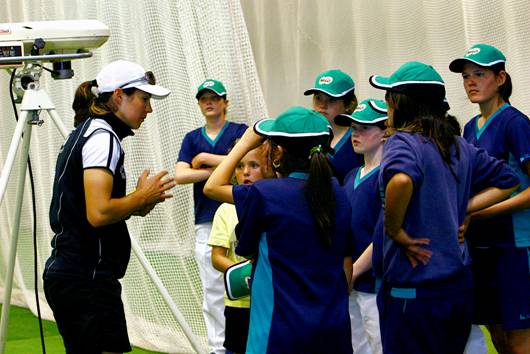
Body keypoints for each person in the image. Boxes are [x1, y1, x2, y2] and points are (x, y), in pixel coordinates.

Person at [368, 61, 520, 354]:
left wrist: (394, 228)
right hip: (457, 291)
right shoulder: (458, 144)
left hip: (411, 296)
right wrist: (463, 209)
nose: (385, 103)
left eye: (389, 95)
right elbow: (508, 180)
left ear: (401, 102)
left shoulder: (403, 141)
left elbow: (400, 180)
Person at [43, 60, 175, 354]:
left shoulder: (94, 132)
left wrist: (138, 204)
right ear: (119, 97)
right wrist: (140, 198)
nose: (149, 109)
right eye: (144, 99)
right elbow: (99, 213)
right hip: (84, 280)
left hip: (81, 278)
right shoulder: (102, 137)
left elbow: (98, 210)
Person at [204, 106, 354, 354]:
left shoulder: (266, 195)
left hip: (279, 333)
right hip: (333, 329)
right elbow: (345, 268)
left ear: (279, 152)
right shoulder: (339, 192)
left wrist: (246, 141)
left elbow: (212, 186)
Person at [450, 44, 530, 354]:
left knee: (519, 337)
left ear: (500, 78)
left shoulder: (516, 123)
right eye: (466, 76)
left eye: (479, 74)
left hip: (514, 245)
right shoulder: (469, 129)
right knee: (495, 334)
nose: (470, 81)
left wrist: (481, 212)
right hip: (479, 247)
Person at [175, 79, 247, 354]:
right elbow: (181, 174)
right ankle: (218, 348)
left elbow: (251, 157)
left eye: (214, 98)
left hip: (240, 217)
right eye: (204, 98)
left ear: (225, 102)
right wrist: (221, 172)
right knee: (213, 289)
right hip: (206, 221)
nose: (209, 102)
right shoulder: (192, 138)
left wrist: (205, 157)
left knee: (244, 285)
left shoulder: (240, 131)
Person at [208, 142, 271, 354]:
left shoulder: (275, 204)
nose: (245, 172)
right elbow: (217, 256)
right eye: (239, 166)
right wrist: (244, 273)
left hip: (271, 300)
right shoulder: (225, 210)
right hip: (238, 305)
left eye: (254, 165)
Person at [335, 99, 387, 354]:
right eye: (353, 127)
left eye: (364, 127)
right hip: (350, 282)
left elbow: (384, 233)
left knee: (380, 344)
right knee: (356, 346)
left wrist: (354, 271)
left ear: (385, 131)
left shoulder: (389, 176)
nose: (355, 133)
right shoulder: (349, 176)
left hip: (374, 283)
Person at [304, 69, 363, 184]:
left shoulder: (359, 140)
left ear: (348, 105)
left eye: (332, 100)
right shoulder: (304, 136)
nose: (322, 105)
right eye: (318, 98)